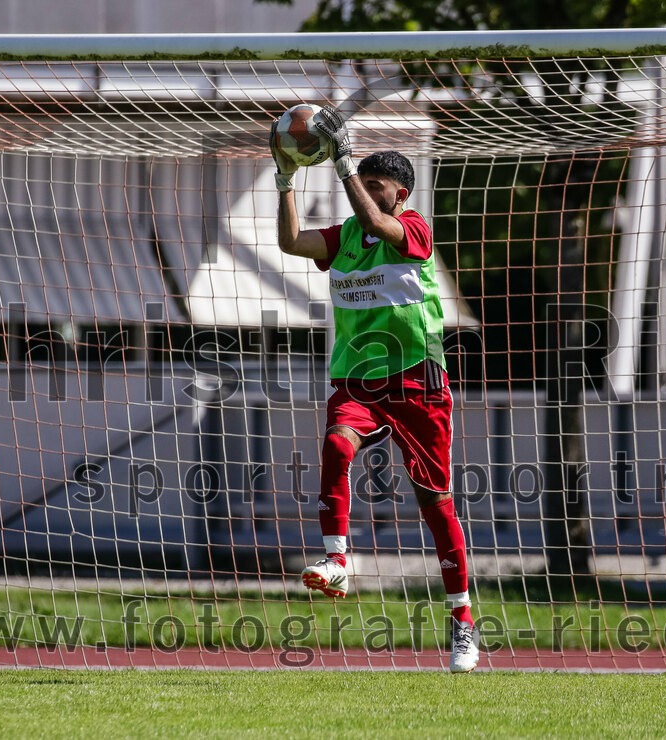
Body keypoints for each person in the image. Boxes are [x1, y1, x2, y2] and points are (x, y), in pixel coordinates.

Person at [270, 106, 479, 673]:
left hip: (417, 382)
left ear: (400, 194)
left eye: (373, 186)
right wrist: (285, 179)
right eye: (360, 184)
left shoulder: (411, 229)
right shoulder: (344, 239)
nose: (361, 193)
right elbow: (291, 243)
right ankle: (338, 559)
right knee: (337, 445)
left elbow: (383, 227)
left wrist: (341, 163)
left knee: (435, 505)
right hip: (358, 381)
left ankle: (462, 620)